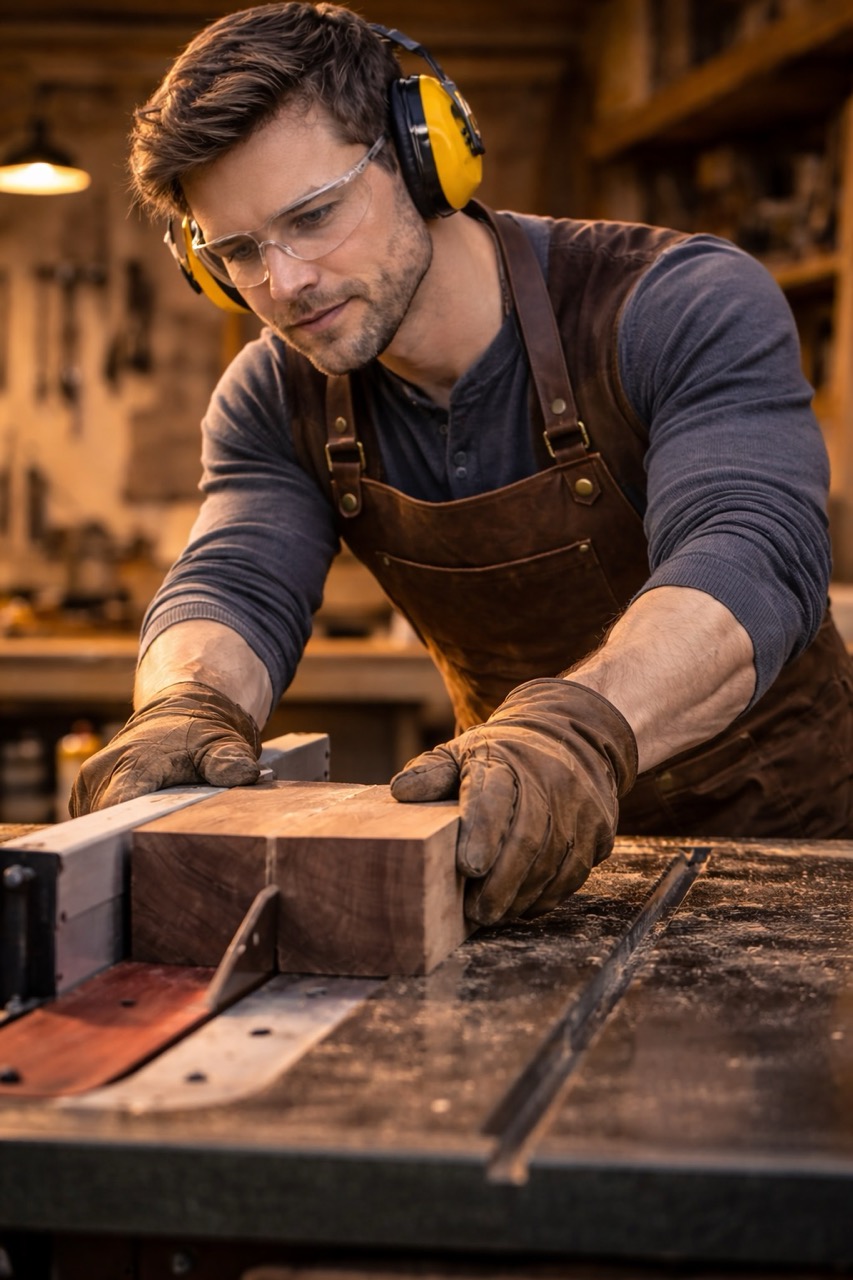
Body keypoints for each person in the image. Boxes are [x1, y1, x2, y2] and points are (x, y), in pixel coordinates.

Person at [71, 1, 853, 925]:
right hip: (509, 865)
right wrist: (181, 707)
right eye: (238, 252)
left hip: (798, 862)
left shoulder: (678, 304)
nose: (283, 284)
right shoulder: (273, 396)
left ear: (424, 156)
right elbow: (235, 578)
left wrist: (577, 734)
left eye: (314, 216)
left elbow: (750, 552)